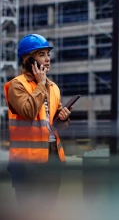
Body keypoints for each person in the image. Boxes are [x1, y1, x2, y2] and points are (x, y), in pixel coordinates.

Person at [3, 34, 72, 214]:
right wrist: (41, 84)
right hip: (26, 163)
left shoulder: (53, 87)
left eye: (48, 54)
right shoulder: (16, 86)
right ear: (28, 59)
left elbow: (52, 126)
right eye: (42, 54)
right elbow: (28, 112)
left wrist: (63, 118)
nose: (48, 59)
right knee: (28, 213)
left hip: (52, 157)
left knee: (49, 211)